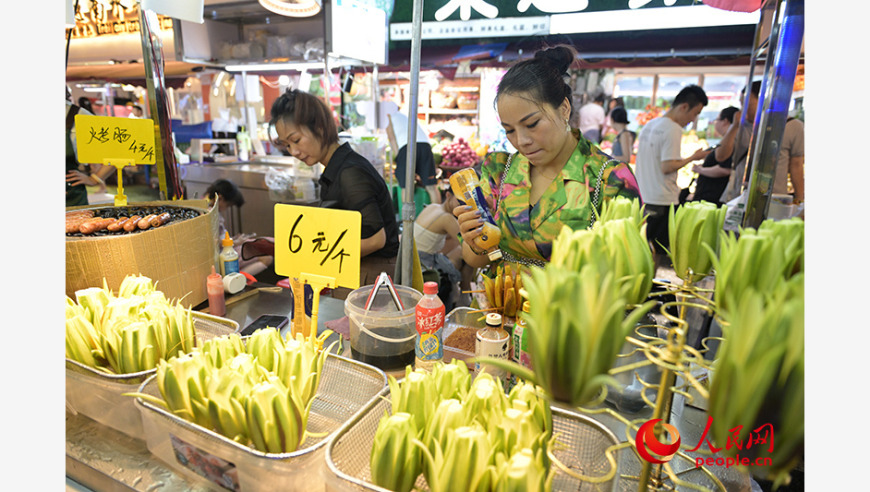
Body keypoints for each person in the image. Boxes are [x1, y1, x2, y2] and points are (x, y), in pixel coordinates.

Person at [453, 45, 641, 272]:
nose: (521, 141)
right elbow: (477, 260)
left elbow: (629, 270)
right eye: (509, 130)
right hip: (498, 305)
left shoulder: (610, 180)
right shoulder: (500, 171)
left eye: (532, 124)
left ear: (563, 108)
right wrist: (473, 238)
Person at [270, 89, 400, 300]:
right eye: (286, 144)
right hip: (359, 271)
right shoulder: (337, 166)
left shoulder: (350, 172)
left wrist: (311, 254)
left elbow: (376, 239)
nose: (293, 151)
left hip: (371, 274)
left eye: (296, 140)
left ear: (320, 128)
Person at [634, 84, 711, 256]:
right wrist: (693, 157)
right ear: (684, 107)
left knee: (641, 247)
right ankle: (649, 283)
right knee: (655, 251)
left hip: (643, 197)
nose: (693, 119)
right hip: (662, 199)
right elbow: (667, 167)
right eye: (695, 113)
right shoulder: (673, 129)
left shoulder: (650, 125)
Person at [205, 179, 273, 278]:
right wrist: (236, 242)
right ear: (220, 198)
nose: (226, 208)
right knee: (266, 257)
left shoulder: (209, 209)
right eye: (228, 205)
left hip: (226, 250)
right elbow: (213, 244)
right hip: (222, 255)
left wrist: (235, 239)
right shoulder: (211, 215)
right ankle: (235, 280)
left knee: (263, 246)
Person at [66, 87, 114, 207]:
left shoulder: (78, 115)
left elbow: (118, 150)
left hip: (71, 200)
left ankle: (102, 187)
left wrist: (95, 179)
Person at [386, 109, 440, 205]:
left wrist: (399, 157)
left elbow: (392, 138)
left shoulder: (387, 117)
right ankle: (439, 215)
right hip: (425, 146)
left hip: (406, 147)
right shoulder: (402, 115)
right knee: (431, 186)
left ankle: (407, 219)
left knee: (406, 188)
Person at [719, 81, 760, 204]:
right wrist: (734, 126)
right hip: (737, 194)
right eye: (742, 103)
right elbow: (721, 156)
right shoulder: (740, 127)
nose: (743, 108)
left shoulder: (786, 126)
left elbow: (795, 164)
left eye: (747, 102)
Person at [691, 106, 740, 206]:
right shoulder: (729, 141)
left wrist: (701, 170)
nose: (715, 123)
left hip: (712, 197)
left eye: (717, 119)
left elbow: (725, 169)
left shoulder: (731, 142)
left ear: (725, 121)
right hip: (709, 196)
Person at [774, 116, 804, 205]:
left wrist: (799, 200)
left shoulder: (794, 126)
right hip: (744, 193)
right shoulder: (748, 122)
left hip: (776, 199)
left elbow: (796, 165)